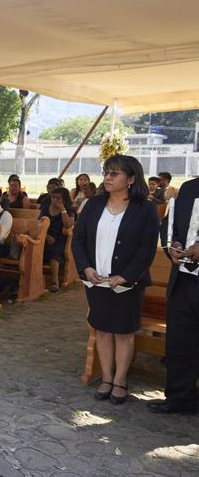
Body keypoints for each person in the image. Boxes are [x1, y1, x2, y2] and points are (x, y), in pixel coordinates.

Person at [72, 154, 159, 406]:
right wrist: (86, 268)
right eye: (106, 172)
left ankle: (120, 379)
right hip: (96, 280)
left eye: (115, 173)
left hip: (126, 284)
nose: (108, 177)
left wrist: (125, 275)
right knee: (101, 329)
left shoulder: (145, 209)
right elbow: (78, 240)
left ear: (131, 179)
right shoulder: (94, 204)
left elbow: (146, 249)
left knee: (123, 332)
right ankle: (106, 378)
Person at [148, 175, 199, 415]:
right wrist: (173, 247)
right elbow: (169, 227)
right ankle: (180, 398)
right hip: (184, 280)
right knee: (180, 343)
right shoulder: (188, 189)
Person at [40, 187, 75, 291]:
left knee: (54, 251)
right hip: (45, 236)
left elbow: (68, 225)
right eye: (53, 197)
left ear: (64, 199)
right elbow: (38, 224)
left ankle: (55, 282)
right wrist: (46, 236)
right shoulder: (46, 208)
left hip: (60, 239)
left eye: (58, 198)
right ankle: (36, 280)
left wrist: (63, 210)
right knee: (33, 248)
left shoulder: (69, 210)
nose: (55, 200)